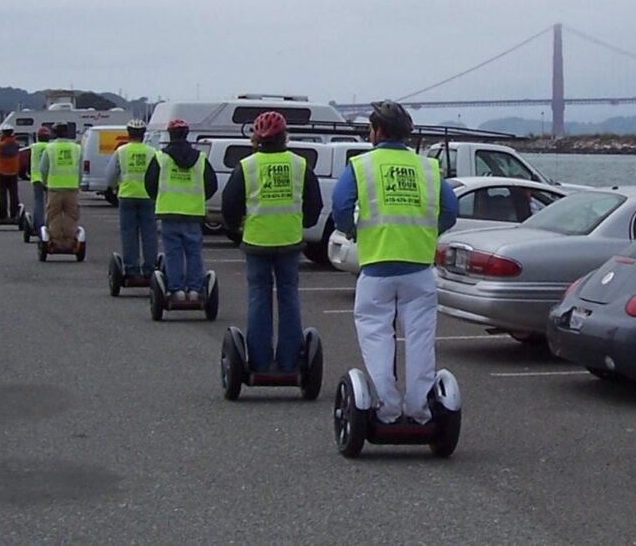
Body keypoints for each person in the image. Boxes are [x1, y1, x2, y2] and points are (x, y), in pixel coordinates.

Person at [332, 100, 457, 424]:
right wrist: (428, 234)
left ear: (379, 131)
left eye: (369, 129)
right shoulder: (428, 167)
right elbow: (451, 210)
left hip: (377, 269)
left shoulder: (361, 166)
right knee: (420, 340)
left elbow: (341, 207)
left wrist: (354, 232)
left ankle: (386, 409)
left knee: (375, 334)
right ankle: (418, 410)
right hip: (418, 269)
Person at [221, 111, 323, 373]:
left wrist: (236, 226)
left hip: (257, 241)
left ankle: (259, 362)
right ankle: (289, 362)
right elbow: (314, 205)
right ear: (284, 137)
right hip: (290, 241)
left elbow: (229, 205)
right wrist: (302, 223)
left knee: (258, 297)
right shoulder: (300, 165)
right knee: (289, 297)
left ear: (256, 138)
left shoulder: (247, 166)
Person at [144, 119, 217, 302]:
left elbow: (150, 183)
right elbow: (212, 185)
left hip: (169, 213)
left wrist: (160, 198)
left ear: (170, 134)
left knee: (172, 253)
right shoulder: (200, 159)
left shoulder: (161, 158)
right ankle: (194, 289)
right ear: (187, 133)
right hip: (193, 214)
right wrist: (198, 198)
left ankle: (176, 290)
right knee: (194, 252)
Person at [106, 119, 158, 279]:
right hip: (147, 197)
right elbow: (158, 175)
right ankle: (150, 269)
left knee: (128, 234)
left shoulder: (121, 151)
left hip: (127, 196)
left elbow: (110, 176)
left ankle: (131, 269)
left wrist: (115, 187)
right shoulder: (152, 152)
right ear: (143, 135)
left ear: (128, 134)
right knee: (149, 233)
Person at [39, 122, 83, 250]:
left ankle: (56, 242)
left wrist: (45, 182)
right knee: (71, 215)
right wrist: (77, 184)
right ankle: (69, 242)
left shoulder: (50, 148)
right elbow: (80, 170)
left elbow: (43, 169)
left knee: (54, 215)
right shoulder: (76, 148)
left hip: (54, 188)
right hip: (71, 188)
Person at [0, 126, 22, 221]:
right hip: (13, 171)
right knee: (14, 194)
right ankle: (14, 214)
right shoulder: (16, 144)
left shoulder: (1, 145)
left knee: (2, 194)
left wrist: (1, 140)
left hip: (2, 172)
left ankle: (3, 215)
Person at [28, 126, 52, 236]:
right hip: (49, 178)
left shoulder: (34, 147)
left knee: (38, 203)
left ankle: (38, 226)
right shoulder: (50, 147)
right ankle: (49, 226)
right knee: (50, 203)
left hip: (36, 178)